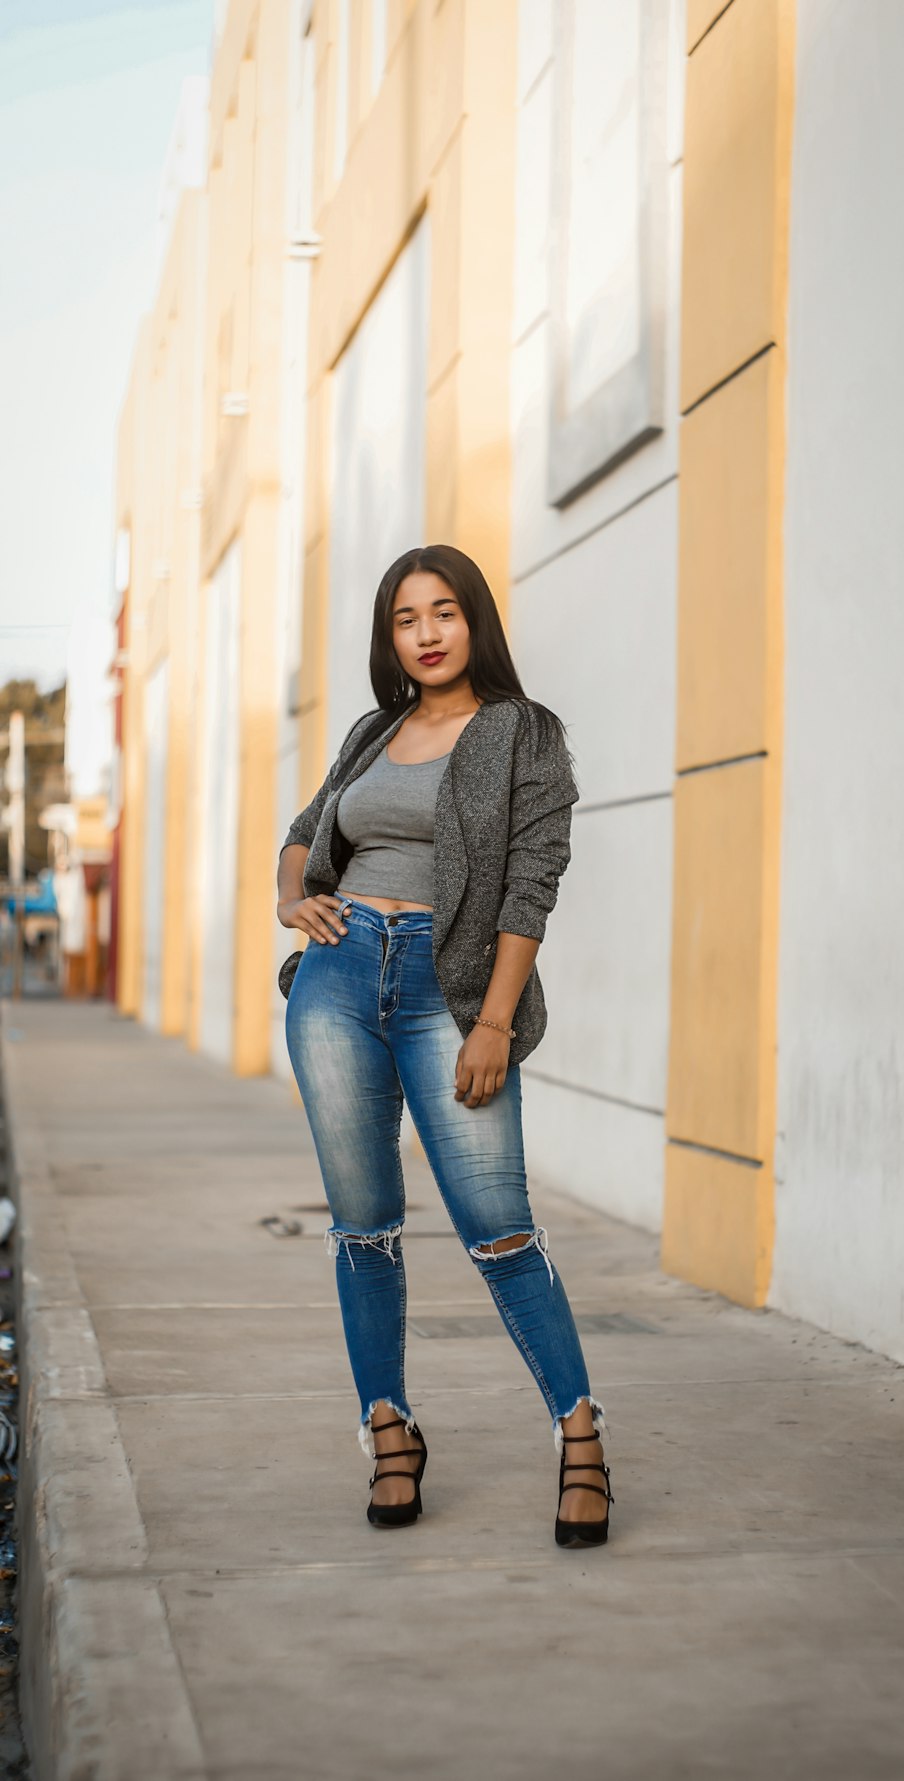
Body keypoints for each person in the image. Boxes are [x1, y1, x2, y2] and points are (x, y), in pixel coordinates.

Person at [276, 544, 613, 1548]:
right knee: (362, 1225)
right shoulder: (372, 732)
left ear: (474, 623)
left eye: (444, 612)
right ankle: (388, 1428)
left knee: (497, 1224)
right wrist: (294, 899)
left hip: (447, 989)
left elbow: (528, 884)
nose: (424, 633)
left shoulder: (521, 734)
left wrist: (495, 1021)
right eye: (405, 618)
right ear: (390, 637)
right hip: (336, 983)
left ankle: (582, 1433)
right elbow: (305, 830)